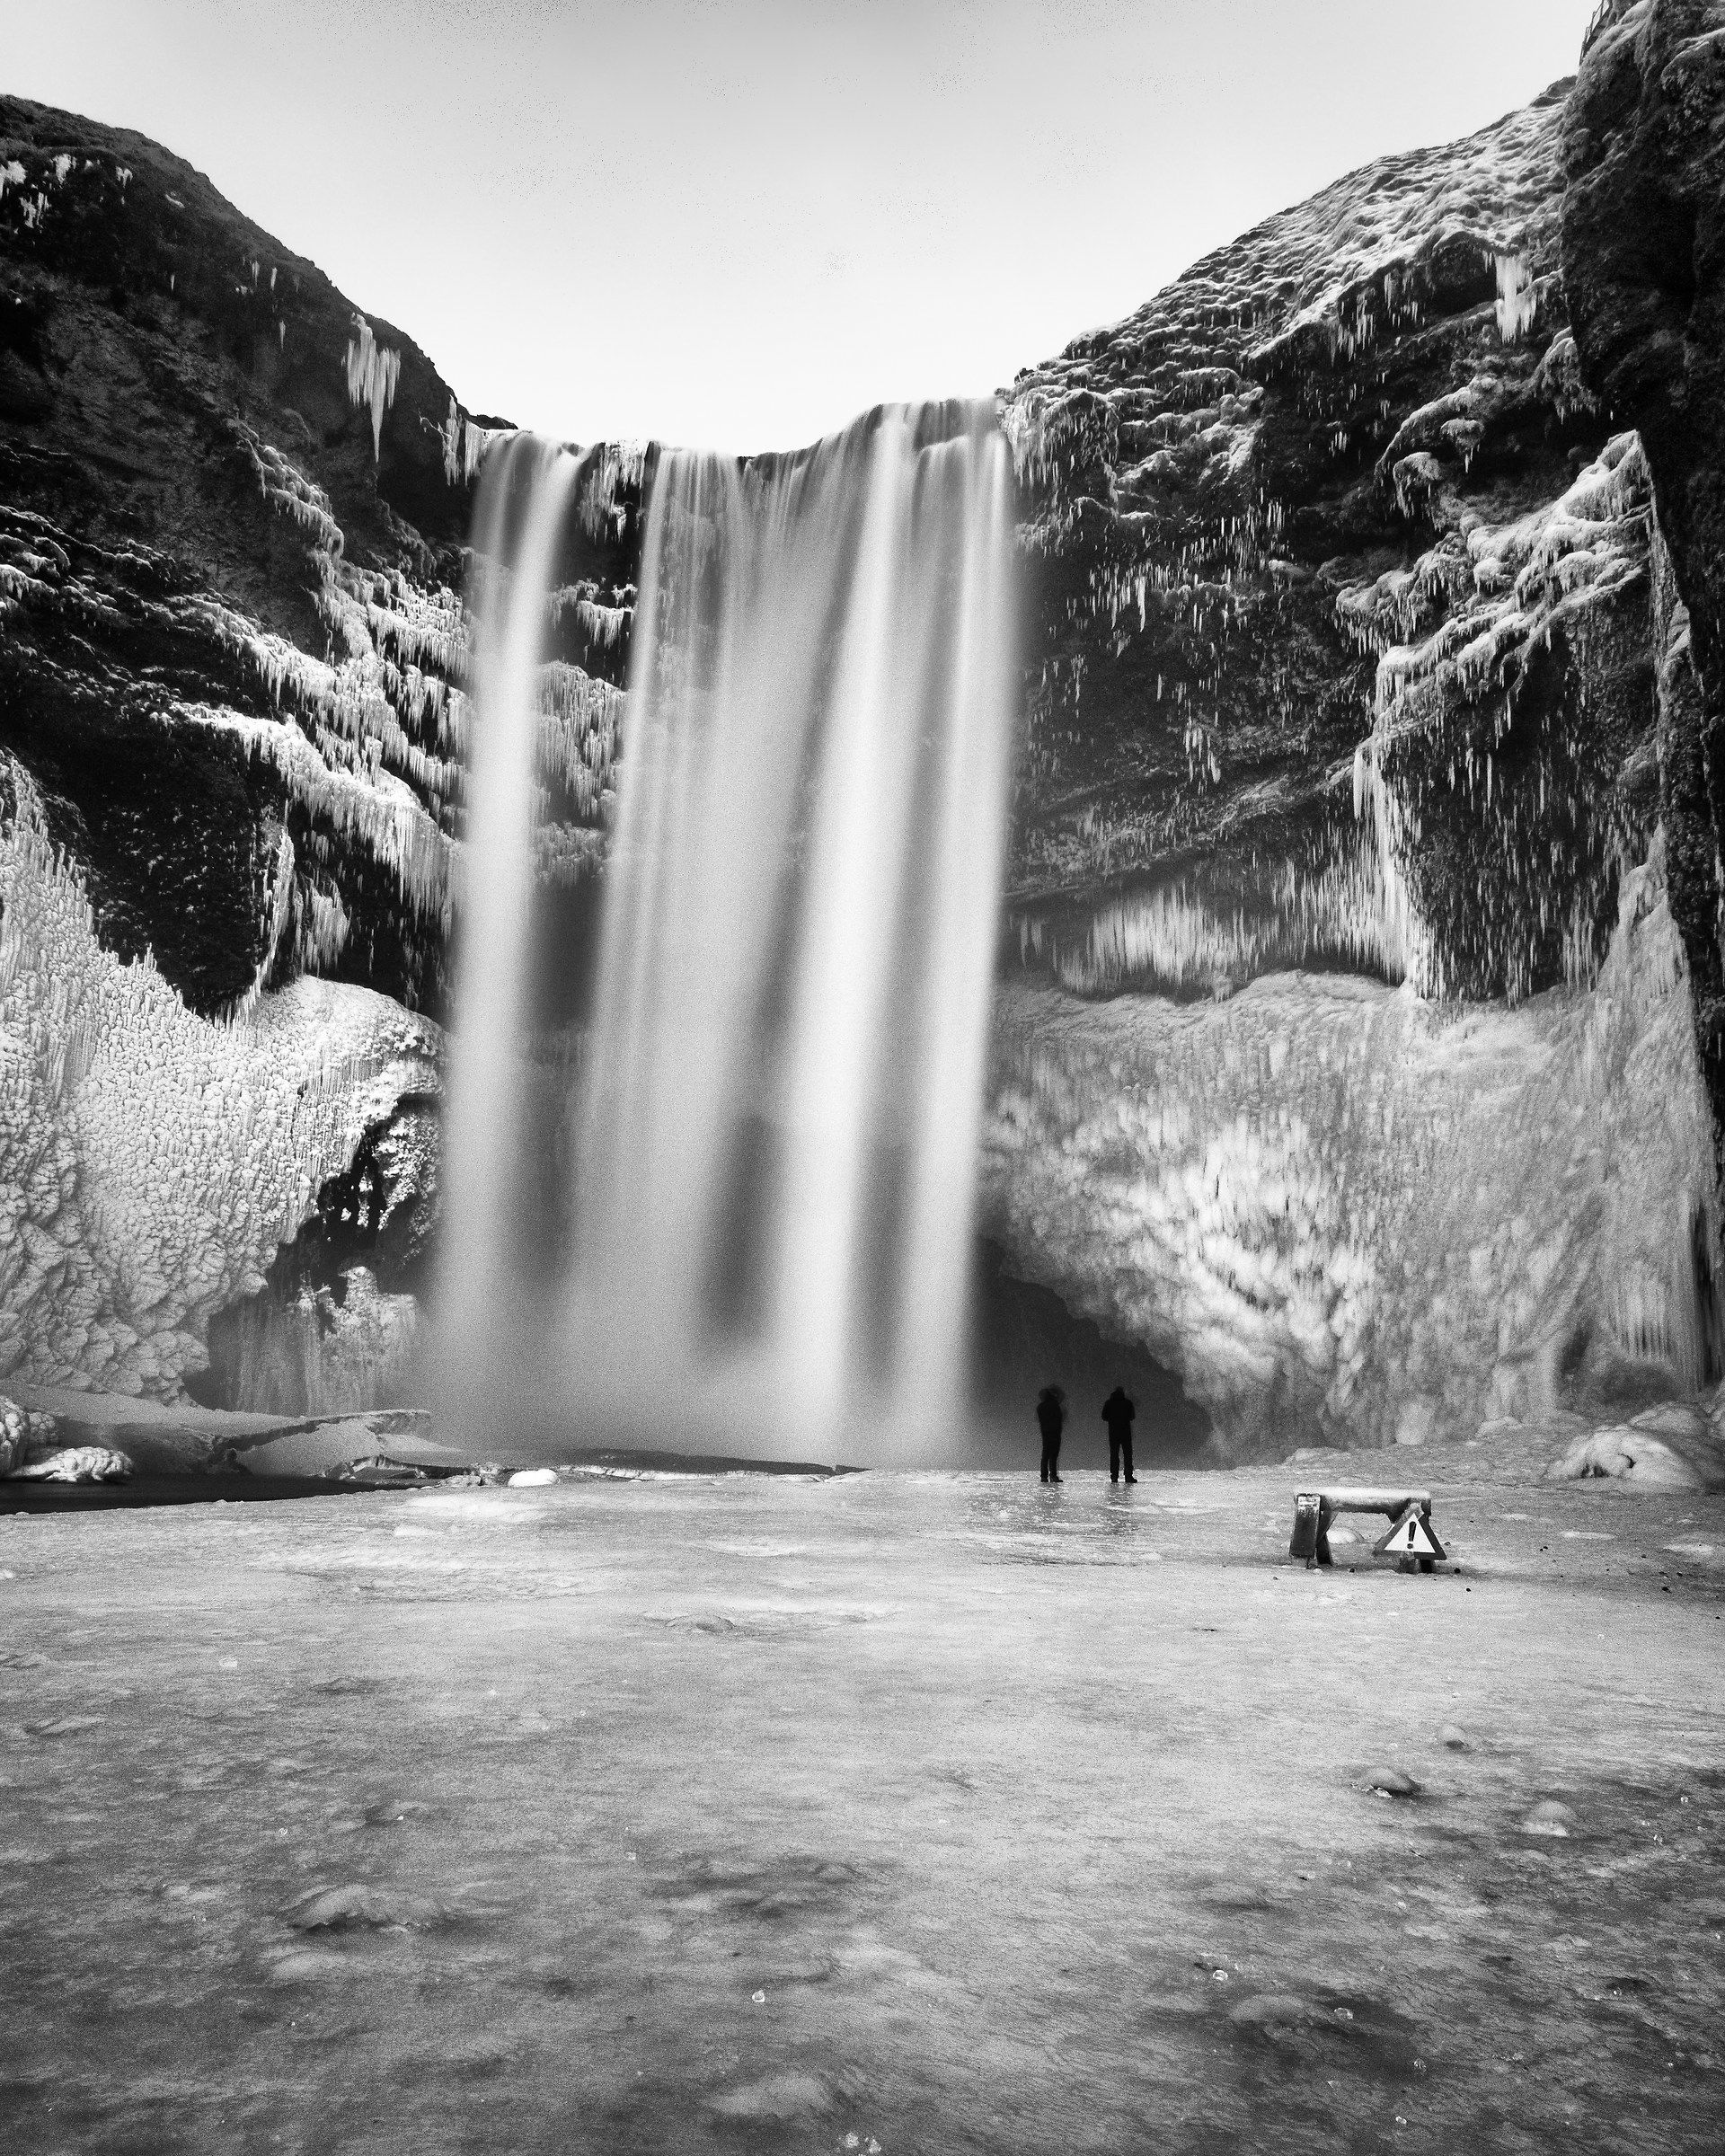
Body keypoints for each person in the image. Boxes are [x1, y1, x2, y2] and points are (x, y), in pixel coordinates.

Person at [1102, 1385, 1137, 1482]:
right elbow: (1132, 1416)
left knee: (1114, 1454)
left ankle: (1114, 1476)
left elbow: (1104, 1416)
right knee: (1127, 1455)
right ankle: (1128, 1476)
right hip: (1126, 1432)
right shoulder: (1127, 1403)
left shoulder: (1109, 1403)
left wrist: (1113, 1419)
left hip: (1113, 1432)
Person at [1035, 1385, 1066, 1483]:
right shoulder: (1055, 1405)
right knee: (1053, 1455)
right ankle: (1053, 1475)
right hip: (1055, 1432)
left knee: (1045, 1455)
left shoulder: (1040, 1407)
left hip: (1045, 1432)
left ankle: (1044, 1476)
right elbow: (1059, 1418)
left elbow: (1041, 1419)